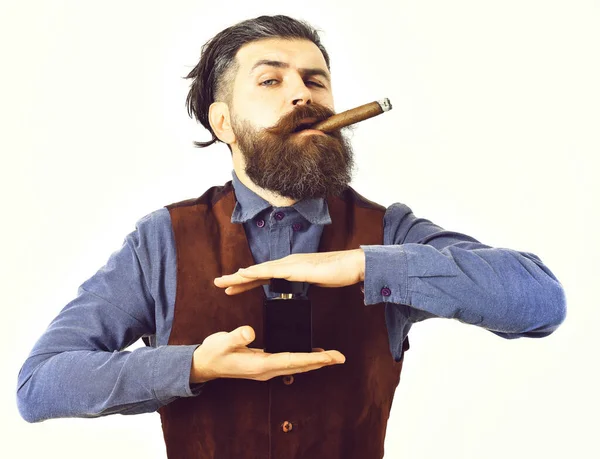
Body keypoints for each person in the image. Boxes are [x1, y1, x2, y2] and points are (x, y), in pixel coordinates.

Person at [17, 14, 566, 459]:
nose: (303, 95)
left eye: (315, 79)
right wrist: (193, 366)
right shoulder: (162, 240)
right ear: (224, 123)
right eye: (271, 80)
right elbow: (41, 384)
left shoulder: (389, 231)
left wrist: (371, 267)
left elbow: (541, 301)